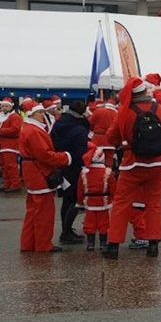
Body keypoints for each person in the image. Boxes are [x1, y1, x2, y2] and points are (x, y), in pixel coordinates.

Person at [102, 77, 161, 260]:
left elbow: (111, 137)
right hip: (158, 163)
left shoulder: (125, 112)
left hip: (133, 163)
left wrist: (125, 142)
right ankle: (153, 244)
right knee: (153, 204)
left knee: (121, 204)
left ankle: (113, 245)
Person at [18, 100, 73, 253]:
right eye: (40, 112)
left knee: (32, 211)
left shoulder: (27, 128)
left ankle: (28, 244)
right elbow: (45, 155)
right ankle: (43, 245)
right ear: (31, 114)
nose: (43, 115)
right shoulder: (34, 131)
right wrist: (65, 157)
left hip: (31, 172)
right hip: (39, 173)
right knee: (44, 212)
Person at [50, 100, 91, 245]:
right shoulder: (79, 126)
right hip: (75, 165)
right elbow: (82, 148)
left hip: (63, 163)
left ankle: (66, 229)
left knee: (67, 199)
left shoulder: (60, 122)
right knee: (74, 199)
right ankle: (66, 232)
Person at [77, 143, 113, 251]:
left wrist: (80, 202)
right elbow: (113, 188)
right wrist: (113, 199)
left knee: (89, 223)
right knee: (104, 223)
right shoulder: (108, 172)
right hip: (103, 202)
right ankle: (103, 243)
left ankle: (91, 243)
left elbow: (80, 189)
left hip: (89, 202)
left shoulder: (84, 172)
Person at [0, 98, 23, 193]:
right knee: (4, 166)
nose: (4, 108)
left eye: (6, 106)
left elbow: (15, 130)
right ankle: (7, 184)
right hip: (2, 146)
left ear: (11, 106)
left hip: (10, 146)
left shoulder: (15, 117)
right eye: (2, 106)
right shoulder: (1, 116)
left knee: (11, 166)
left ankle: (15, 184)